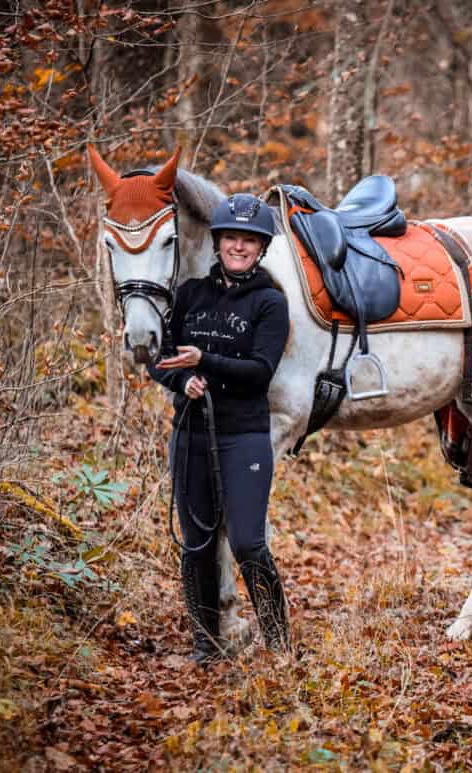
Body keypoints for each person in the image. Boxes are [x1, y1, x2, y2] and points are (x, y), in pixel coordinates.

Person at [147, 193, 290, 663]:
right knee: (198, 542)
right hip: (190, 434)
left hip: (243, 435)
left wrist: (204, 359)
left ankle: (278, 643)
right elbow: (160, 361)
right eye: (232, 237)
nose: (239, 247)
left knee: (248, 540)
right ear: (218, 241)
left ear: (261, 247)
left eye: (250, 240)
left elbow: (260, 371)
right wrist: (184, 377)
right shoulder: (189, 295)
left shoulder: (270, 302)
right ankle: (206, 647)